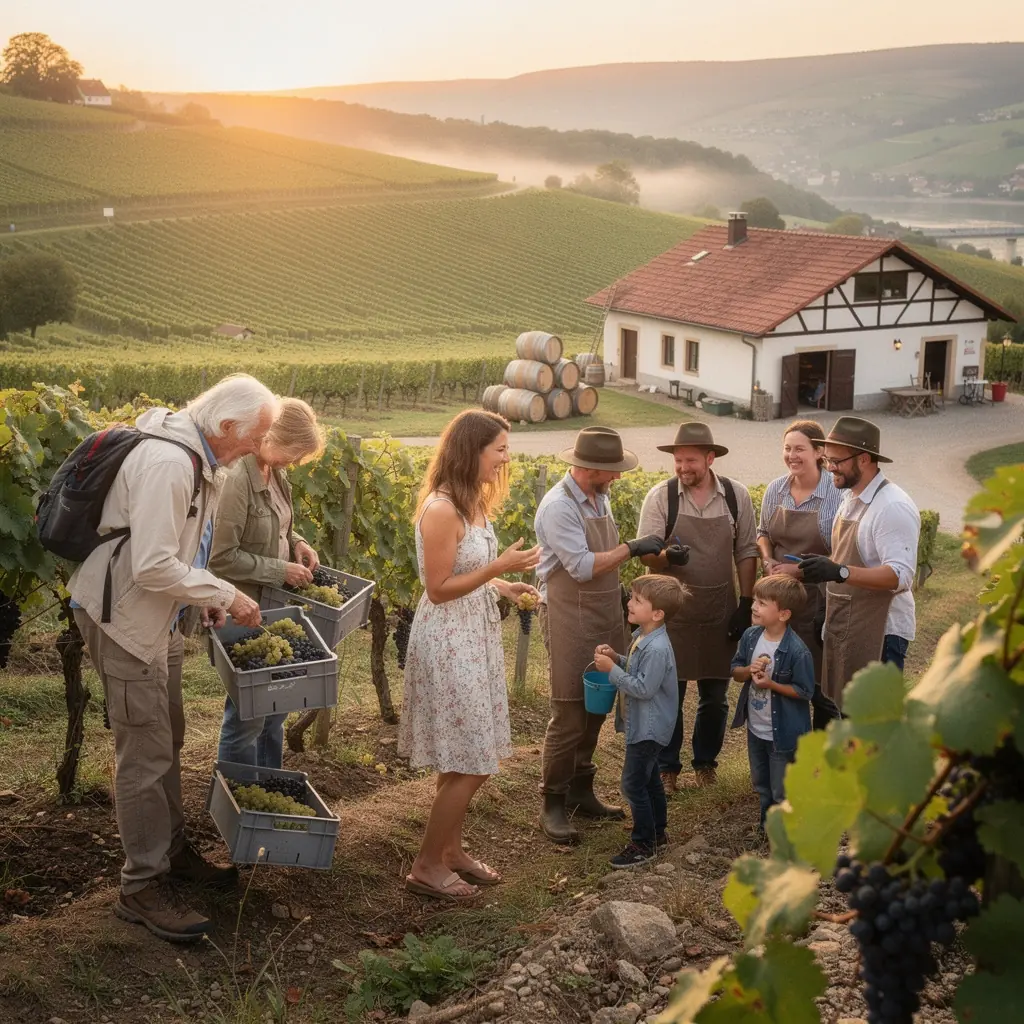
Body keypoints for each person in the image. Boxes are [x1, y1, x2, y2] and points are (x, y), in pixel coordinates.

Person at [71, 374, 274, 942]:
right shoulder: (168, 463)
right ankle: (141, 886)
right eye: (255, 435)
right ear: (227, 426)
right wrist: (224, 595)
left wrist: (201, 599)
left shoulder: (202, 458)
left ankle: (172, 853)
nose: (259, 447)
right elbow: (153, 566)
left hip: (156, 616)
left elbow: (179, 553)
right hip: (126, 619)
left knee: (169, 737)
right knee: (144, 753)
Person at [399, 409, 540, 901]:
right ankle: (425, 866)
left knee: (460, 757)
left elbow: (471, 567)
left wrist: (504, 583)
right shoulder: (441, 510)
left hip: (473, 637)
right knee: (474, 759)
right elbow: (438, 589)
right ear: (471, 450)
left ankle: (451, 852)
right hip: (448, 641)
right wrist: (497, 566)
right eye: (499, 449)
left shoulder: (472, 501)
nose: (505, 459)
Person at [534, 426, 665, 844]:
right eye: (612, 471)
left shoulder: (598, 497)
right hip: (567, 615)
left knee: (598, 704)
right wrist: (632, 547)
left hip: (602, 610)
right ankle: (552, 802)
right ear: (589, 468)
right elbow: (582, 567)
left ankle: (580, 789)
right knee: (570, 712)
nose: (617, 478)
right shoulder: (558, 507)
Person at [636, 422, 759, 791]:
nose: (682, 467)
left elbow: (747, 550)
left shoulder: (736, 496)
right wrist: (664, 556)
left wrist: (747, 602)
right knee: (669, 691)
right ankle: (667, 767)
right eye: (678, 460)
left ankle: (706, 764)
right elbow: (647, 557)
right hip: (673, 612)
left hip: (720, 609)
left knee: (715, 696)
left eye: (690, 459)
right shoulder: (662, 497)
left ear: (710, 458)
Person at [210, 397, 325, 768]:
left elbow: (277, 525)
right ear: (273, 434)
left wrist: (297, 542)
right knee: (249, 715)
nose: (293, 463)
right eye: (293, 453)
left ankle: (268, 785)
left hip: (272, 609)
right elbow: (221, 557)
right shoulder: (236, 479)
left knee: (277, 707)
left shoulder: (275, 473)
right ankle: (239, 800)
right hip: (241, 610)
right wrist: (281, 570)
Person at [797, 416, 921, 708]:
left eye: (836, 461)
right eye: (827, 459)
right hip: (848, 624)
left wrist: (839, 571)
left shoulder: (892, 506)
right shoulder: (851, 497)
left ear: (864, 459)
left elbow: (900, 576)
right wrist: (825, 573)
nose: (829, 468)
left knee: (873, 729)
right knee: (849, 718)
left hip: (882, 635)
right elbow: (846, 559)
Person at [594, 574, 687, 868]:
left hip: (648, 729)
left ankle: (644, 841)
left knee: (633, 784)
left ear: (657, 614)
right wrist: (618, 659)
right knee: (649, 781)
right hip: (646, 725)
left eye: (637, 600)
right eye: (631, 597)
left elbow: (644, 689)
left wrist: (611, 671)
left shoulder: (657, 648)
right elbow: (638, 669)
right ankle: (658, 833)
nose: (629, 603)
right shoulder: (642, 638)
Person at [756, 420, 843, 730]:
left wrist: (799, 570)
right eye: (787, 448)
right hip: (778, 602)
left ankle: (818, 760)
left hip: (819, 604)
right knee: (779, 678)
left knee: (819, 688)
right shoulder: (775, 489)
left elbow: (842, 554)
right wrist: (768, 560)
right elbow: (763, 532)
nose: (791, 455)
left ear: (819, 452)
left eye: (800, 449)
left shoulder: (836, 494)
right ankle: (783, 752)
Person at [730, 575, 815, 829]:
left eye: (762, 603)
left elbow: (805, 691)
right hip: (757, 729)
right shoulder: (750, 636)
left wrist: (772, 685)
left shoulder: (797, 651)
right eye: (755, 600)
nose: (754, 607)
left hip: (784, 734)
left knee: (781, 790)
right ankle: (766, 827)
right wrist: (748, 670)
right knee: (761, 784)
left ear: (784, 614)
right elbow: (735, 671)